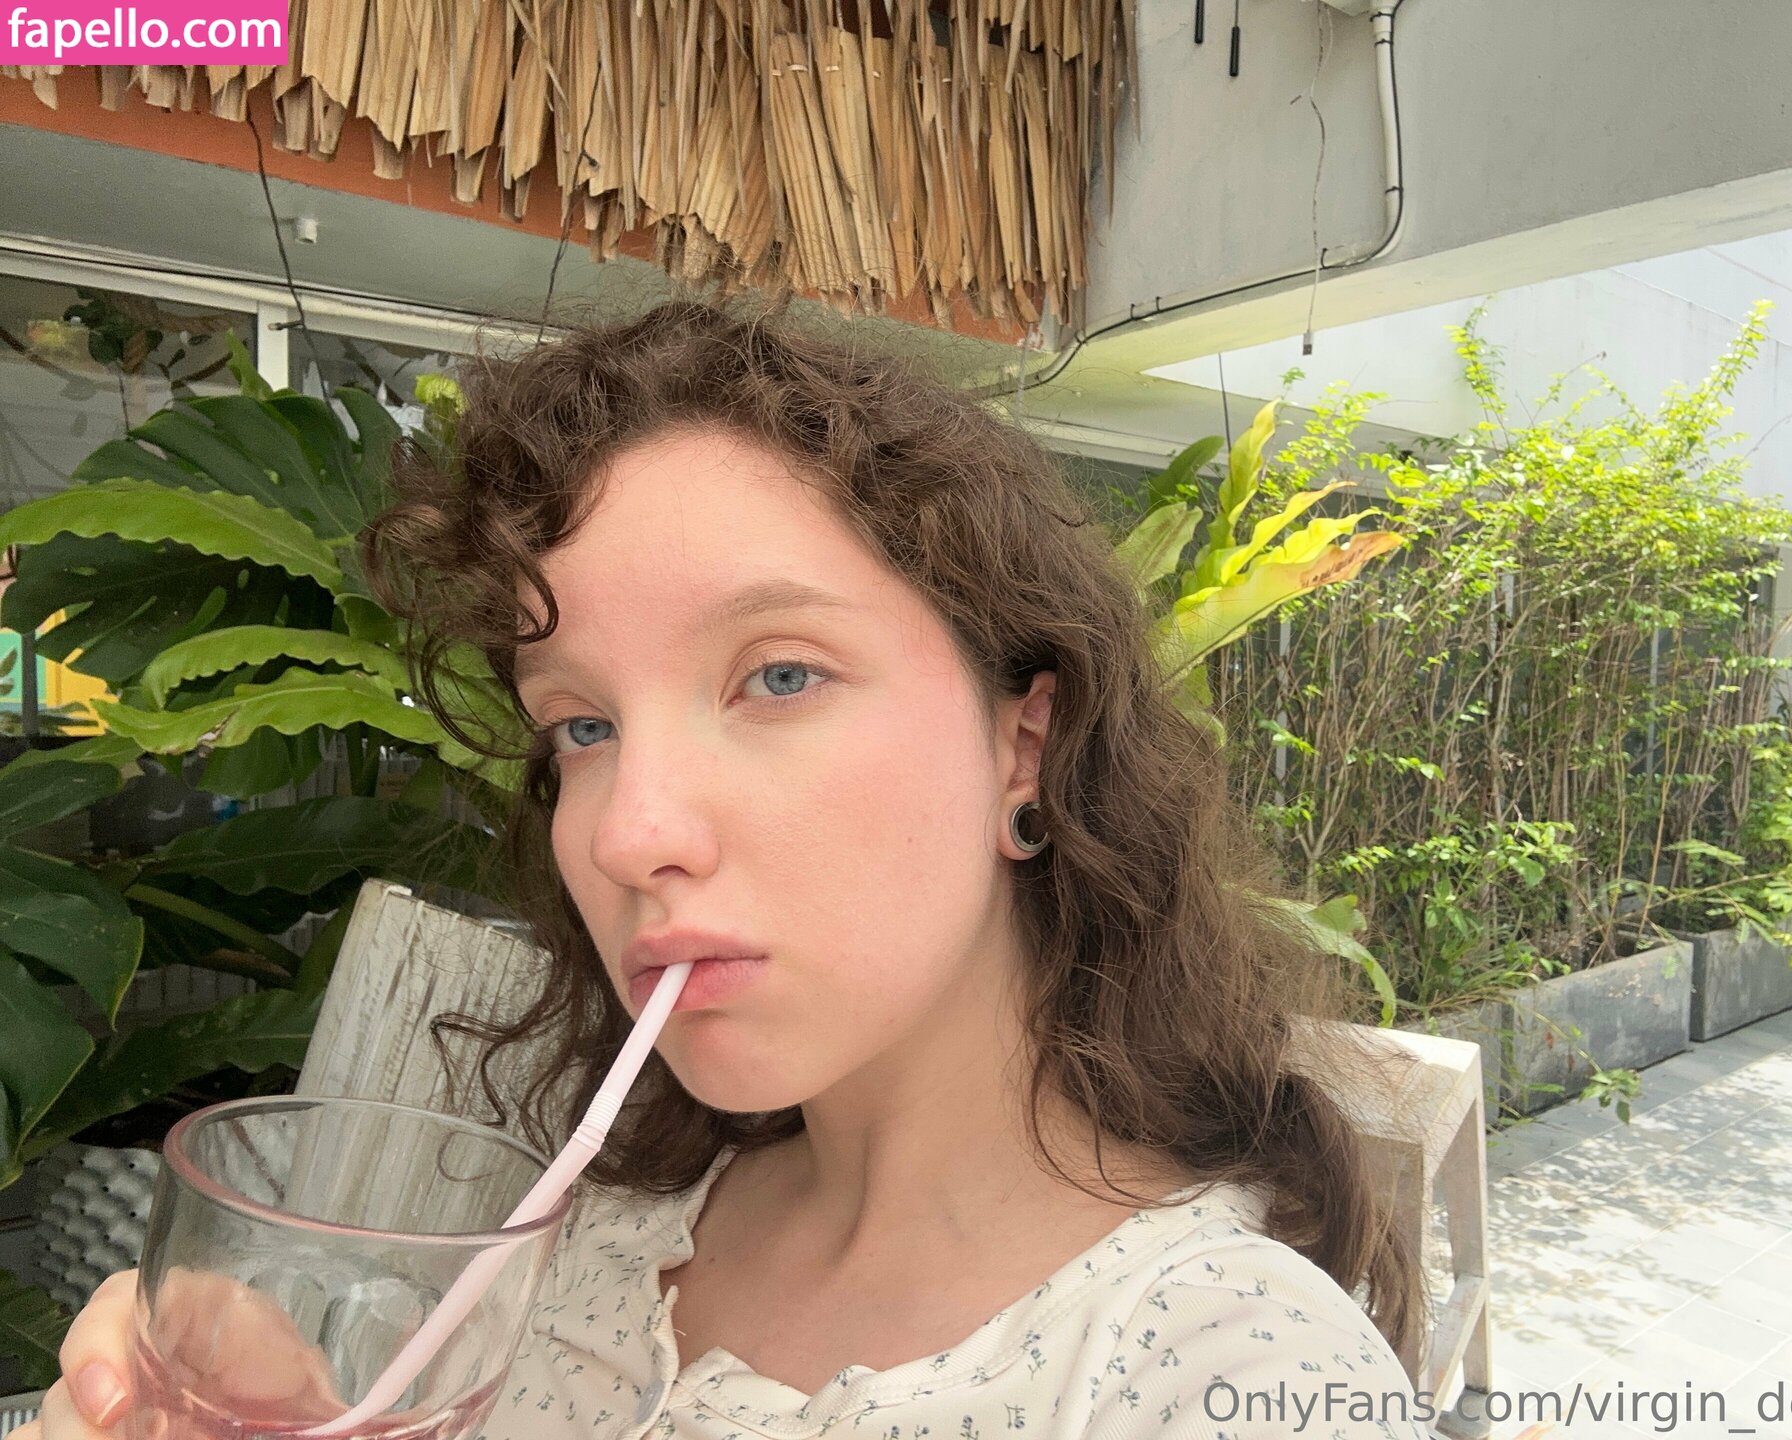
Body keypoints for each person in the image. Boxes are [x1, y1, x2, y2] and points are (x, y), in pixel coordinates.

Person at [27, 301, 1434, 1440]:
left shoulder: (1222, 1375)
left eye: (778, 674)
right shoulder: (593, 1238)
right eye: (580, 727)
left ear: (1025, 744)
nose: (628, 833)